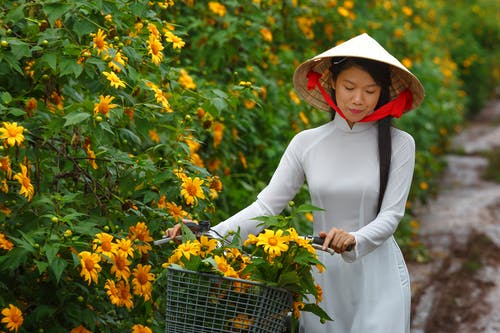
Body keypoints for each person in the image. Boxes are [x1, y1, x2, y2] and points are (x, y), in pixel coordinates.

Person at [166, 33, 424, 332]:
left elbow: (391, 216)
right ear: (333, 84)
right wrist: (208, 235)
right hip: (322, 281)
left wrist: (355, 238)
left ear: (382, 94)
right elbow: (266, 206)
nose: (358, 99)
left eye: (370, 90)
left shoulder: (400, 144)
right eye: (349, 87)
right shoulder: (307, 143)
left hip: (379, 279)